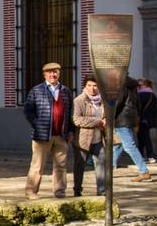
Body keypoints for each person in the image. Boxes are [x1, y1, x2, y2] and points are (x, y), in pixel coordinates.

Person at [23, 62, 74, 199]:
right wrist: (37, 124)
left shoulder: (65, 91)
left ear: (59, 73)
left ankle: (59, 191)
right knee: (37, 165)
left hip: (61, 135)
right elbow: (28, 111)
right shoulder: (37, 90)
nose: (53, 74)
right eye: (50, 72)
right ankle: (31, 191)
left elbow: (70, 113)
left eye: (55, 72)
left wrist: (70, 131)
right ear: (45, 74)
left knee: (61, 166)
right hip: (42, 135)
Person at [71, 76, 106, 197]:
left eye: (95, 85)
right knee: (80, 166)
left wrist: (106, 120)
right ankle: (77, 191)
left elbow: (107, 116)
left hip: (99, 139)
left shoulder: (103, 101)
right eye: (89, 85)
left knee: (102, 165)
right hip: (83, 141)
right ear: (85, 86)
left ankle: (102, 192)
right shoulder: (79, 100)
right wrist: (97, 122)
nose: (92, 88)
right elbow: (76, 120)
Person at [113, 76, 151, 181]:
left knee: (129, 147)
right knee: (118, 145)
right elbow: (139, 105)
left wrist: (109, 113)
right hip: (130, 118)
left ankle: (144, 171)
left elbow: (118, 102)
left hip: (122, 118)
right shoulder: (133, 86)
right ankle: (110, 169)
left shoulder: (121, 85)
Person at [137, 78, 157, 163]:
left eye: (140, 85)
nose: (138, 87)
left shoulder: (142, 94)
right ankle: (143, 156)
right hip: (148, 120)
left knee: (144, 138)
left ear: (145, 85)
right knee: (143, 138)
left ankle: (150, 156)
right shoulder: (153, 95)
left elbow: (139, 108)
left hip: (142, 119)